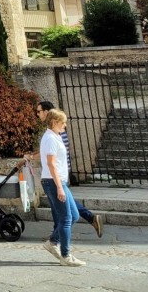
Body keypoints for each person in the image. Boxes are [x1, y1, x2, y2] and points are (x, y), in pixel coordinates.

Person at [37, 100, 103, 238]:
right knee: (63, 203)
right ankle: (88, 219)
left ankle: (57, 235)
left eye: (39, 111)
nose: (37, 114)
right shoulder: (55, 131)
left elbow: (51, 155)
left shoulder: (55, 131)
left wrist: (32, 156)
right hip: (60, 172)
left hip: (57, 173)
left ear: (47, 112)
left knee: (60, 205)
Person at [41, 109, 85, 266]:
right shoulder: (51, 138)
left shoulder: (54, 136)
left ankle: (52, 241)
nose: (65, 125)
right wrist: (59, 187)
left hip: (58, 181)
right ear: (54, 122)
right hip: (54, 182)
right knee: (66, 218)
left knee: (74, 215)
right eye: (63, 122)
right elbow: (51, 164)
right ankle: (65, 256)